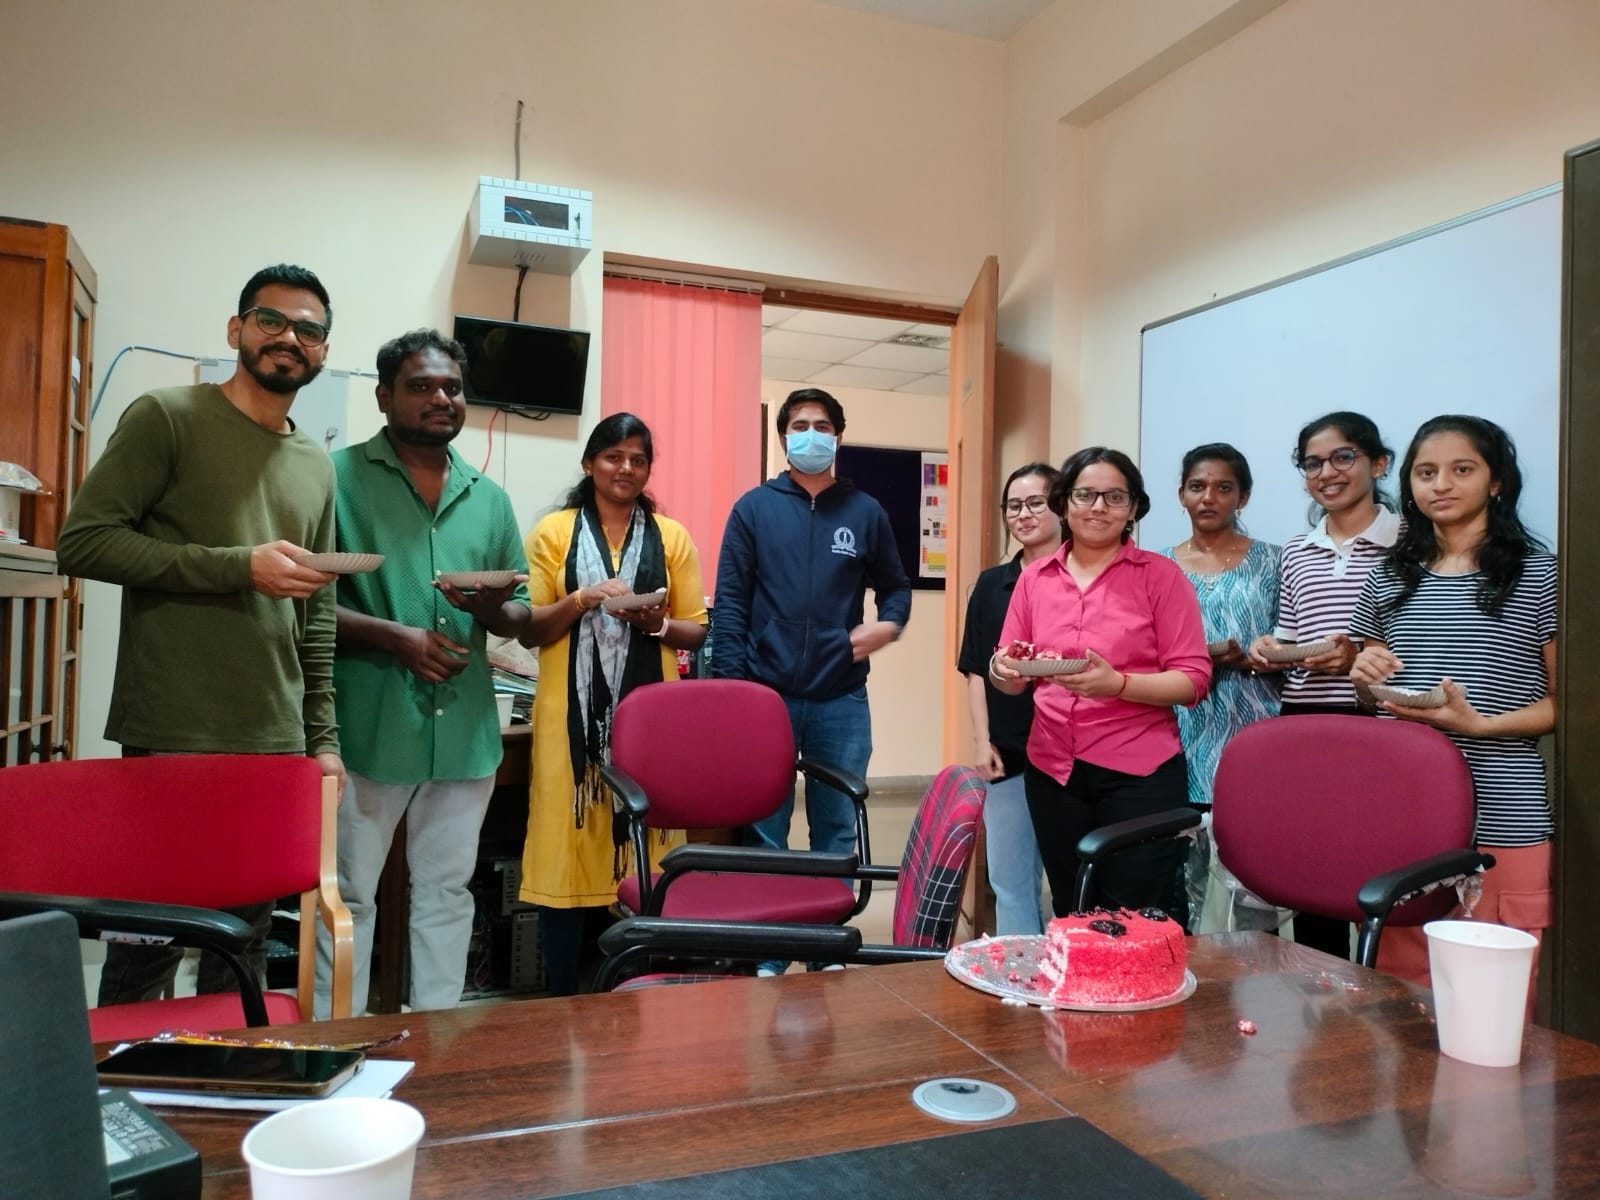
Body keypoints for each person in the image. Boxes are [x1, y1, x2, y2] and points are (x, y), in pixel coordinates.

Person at [56, 263, 344, 1006]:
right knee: (148, 945)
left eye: (309, 330)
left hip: (274, 739)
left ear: (323, 350)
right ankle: (125, 1076)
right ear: (236, 329)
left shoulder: (316, 464)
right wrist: (237, 567)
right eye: (272, 320)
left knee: (241, 948)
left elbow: (316, 619)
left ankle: (230, 1072)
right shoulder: (167, 416)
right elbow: (83, 543)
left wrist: (322, 739)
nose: (289, 338)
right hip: (174, 728)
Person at [311, 330, 532, 1016]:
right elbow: (304, 603)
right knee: (347, 896)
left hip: (463, 732)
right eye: (421, 386)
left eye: (452, 388)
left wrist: (492, 607)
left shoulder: (488, 497)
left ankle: (436, 1042)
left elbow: (517, 614)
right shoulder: (334, 479)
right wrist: (394, 637)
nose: (441, 398)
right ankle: (333, 1043)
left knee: (446, 892)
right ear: (384, 397)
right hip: (368, 728)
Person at [1349, 416, 1555, 1005]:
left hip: (1505, 813)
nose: (1441, 484)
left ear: (1496, 481)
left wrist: (1480, 725)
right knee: (1396, 999)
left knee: (1494, 1002)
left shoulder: (1541, 574)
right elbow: (1373, 693)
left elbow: (1568, 705)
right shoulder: (1387, 577)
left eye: (1462, 469)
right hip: (1404, 808)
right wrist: (1365, 679)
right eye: (1426, 472)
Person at [712, 387, 912, 973]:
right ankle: (771, 950)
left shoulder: (866, 512)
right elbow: (730, 606)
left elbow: (895, 586)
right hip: (765, 698)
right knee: (765, 830)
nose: (811, 435)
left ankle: (824, 946)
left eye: (822, 425)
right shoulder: (753, 509)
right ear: (783, 438)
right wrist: (733, 695)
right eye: (799, 425)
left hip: (840, 697)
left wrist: (889, 624)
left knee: (836, 827)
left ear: (838, 437)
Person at [516, 414, 707, 995]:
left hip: (650, 726)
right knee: (566, 845)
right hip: (568, 727)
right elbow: (531, 628)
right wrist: (581, 599)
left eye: (638, 459)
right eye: (613, 456)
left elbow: (696, 629)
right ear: (589, 463)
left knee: (647, 848)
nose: (626, 468)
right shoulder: (553, 532)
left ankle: (641, 986)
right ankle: (563, 996)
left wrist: (656, 624)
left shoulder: (671, 537)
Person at [991, 447, 1210, 927]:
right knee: (1073, 909)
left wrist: (1118, 684)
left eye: (1115, 497)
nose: (1098, 507)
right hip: (1053, 771)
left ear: (1133, 509)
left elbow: (1193, 679)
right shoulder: (1034, 580)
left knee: (1134, 918)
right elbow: (1010, 673)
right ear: (1065, 503)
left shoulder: (1160, 577)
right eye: (1085, 495)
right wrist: (1003, 672)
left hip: (1139, 773)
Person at [1245, 410, 1397, 960]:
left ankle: (1380, 990)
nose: (1327, 473)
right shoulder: (1297, 550)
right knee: (1315, 869)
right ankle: (1320, 994)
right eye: (1313, 464)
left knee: (1382, 864)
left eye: (1343, 457)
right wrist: (1269, 650)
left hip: (1378, 724)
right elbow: (1292, 639)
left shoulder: (1409, 543)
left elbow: (1419, 642)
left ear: (1379, 464)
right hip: (1304, 721)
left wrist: (1357, 656)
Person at [1160, 443, 1282, 932]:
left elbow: (1293, 643)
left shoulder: (1274, 561)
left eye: (1223, 487)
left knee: (1253, 874)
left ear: (1243, 497)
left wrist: (1254, 658)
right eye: (1197, 486)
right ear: (1181, 496)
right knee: (1179, 871)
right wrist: (1202, 657)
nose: (1208, 497)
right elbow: (1143, 651)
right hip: (1178, 731)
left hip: (1254, 729)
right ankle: (1183, 962)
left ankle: (1252, 969)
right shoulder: (1158, 566)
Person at [956, 462, 1062, 936]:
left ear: (1060, 507)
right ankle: (1021, 969)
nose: (1023, 514)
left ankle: (1070, 970)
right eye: (1014, 506)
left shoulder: (1080, 580)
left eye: (1036, 503)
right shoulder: (991, 584)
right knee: (1010, 882)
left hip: (1073, 756)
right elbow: (976, 669)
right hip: (1009, 753)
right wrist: (982, 741)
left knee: (1072, 883)